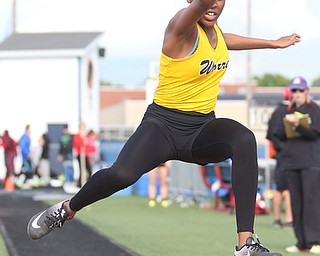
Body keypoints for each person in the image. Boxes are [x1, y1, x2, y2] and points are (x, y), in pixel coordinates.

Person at [27, 1, 300, 255]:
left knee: (244, 139)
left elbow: (228, 40)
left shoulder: (215, 34)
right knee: (121, 174)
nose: (214, 4)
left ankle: (245, 245)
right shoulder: (179, 28)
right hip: (162, 126)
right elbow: (202, 8)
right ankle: (66, 209)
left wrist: (273, 44)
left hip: (200, 130)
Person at [273, 77, 320, 254]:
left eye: (300, 91)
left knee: (312, 202)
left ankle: (315, 241)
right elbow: (277, 133)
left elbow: (315, 133)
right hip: (291, 163)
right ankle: (301, 242)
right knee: (296, 203)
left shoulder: (314, 109)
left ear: (307, 92)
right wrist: (288, 124)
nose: (297, 94)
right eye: (294, 91)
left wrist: (298, 126)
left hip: (311, 163)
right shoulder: (287, 110)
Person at [266, 87, 293, 229]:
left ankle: (277, 219)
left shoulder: (276, 112)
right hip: (287, 155)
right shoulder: (288, 111)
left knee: (279, 187)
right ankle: (289, 219)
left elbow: (269, 134)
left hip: (279, 155)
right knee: (288, 188)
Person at [57, 125, 77, 193]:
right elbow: (61, 147)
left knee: (70, 168)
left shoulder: (70, 137)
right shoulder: (62, 137)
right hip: (65, 154)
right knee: (66, 168)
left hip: (69, 154)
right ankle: (68, 182)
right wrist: (60, 154)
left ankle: (71, 181)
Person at [73, 122, 92, 187]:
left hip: (85, 155)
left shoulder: (86, 136)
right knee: (81, 169)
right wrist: (82, 141)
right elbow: (77, 145)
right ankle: (80, 184)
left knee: (89, 169)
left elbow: (89, 145)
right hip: (80, 154)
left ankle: (88, 183)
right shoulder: (77, 136)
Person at [17, 124, 33, 188]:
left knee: (26, 169)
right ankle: (24, 182)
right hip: (25, 156)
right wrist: (27, 153)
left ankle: (24, 182)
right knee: (27, 170)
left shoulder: (27, 137)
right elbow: (23, 147)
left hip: (26, 156)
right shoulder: (25, 137)